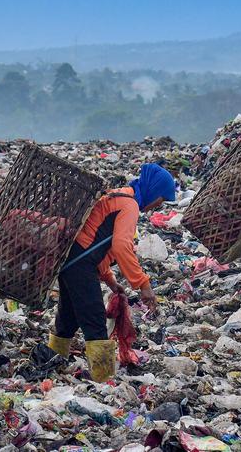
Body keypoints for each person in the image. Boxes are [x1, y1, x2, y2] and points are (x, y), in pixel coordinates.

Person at [46, 163, 176, 382]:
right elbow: (120, 246)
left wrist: (110, 280)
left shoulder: (118, 196)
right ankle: (103, 378)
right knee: (95, 320)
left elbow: (97, 242)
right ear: (154, 190)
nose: (156, 207)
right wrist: (143, 284)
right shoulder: (130, 205)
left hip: (71, 261)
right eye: (160, 200)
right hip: (80, 265)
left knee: (68, 318)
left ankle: (50, 361)